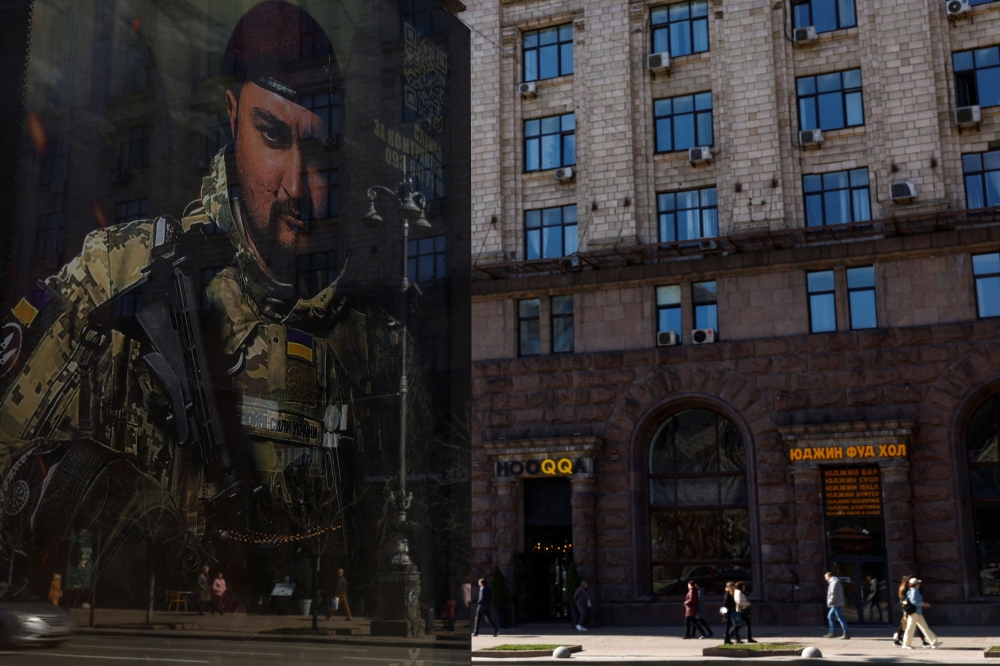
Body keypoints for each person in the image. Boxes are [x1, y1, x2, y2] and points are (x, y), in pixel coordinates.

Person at [0, 0, 411, 604]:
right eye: (272, 135)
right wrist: (87, 488)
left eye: (317, 149)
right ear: (230, 117)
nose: (297, 185)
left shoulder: (358, 335)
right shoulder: (119, 270)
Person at [902, 578, 942, 650]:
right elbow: (914, 601)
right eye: (918, 583)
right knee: (911, 628)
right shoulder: (914, 591)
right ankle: (906, 644)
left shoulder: (913, 591)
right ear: (916, 584)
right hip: (914, 612)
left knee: (924, 627)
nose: (919, 584)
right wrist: (923, 604)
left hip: (917, 613)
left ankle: (934, 642)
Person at [893, 575, 929, 647]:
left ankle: (898, 639)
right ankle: (899, 639)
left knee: (906, 624)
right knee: (906, 625)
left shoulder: (905, 588)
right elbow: (904, 600)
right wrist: (905, 609)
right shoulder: (905, 589)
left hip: (910, 609)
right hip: (910, 609)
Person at [823, 572, 850, 639]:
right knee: (830, 616)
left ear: (829, 577)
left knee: (840, 618)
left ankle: (845, 633)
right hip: (837, 603)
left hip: (836, 604)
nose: (825, 579)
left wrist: (830, 602)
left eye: (826, 577)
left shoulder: (833, 583)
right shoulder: (836, 582)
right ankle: (832, 631)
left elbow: (834, 595)